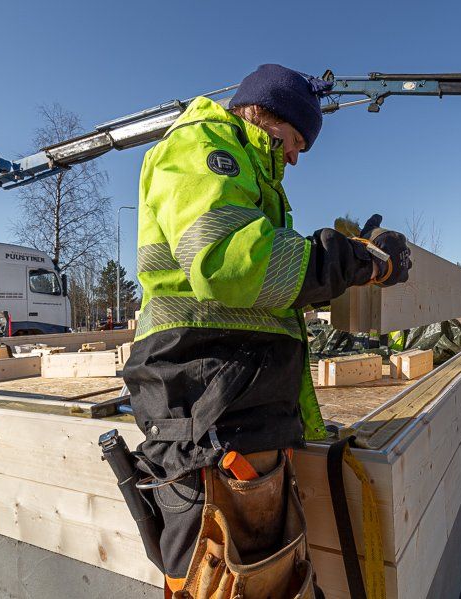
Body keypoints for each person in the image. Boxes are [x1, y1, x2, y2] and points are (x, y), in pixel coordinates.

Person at [122, 64, 412, 597]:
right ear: (264, 113)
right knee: (220, 578)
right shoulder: (203, 146)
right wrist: (359, 262)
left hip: (236, 405)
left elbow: (274, 292)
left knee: (264, 576)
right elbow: (235, 264)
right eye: (296, 139)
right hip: (208, 404)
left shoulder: (251, 178)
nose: (297, 156)